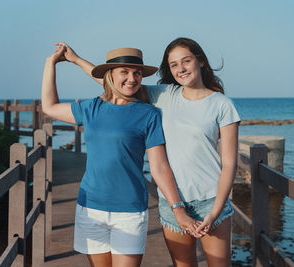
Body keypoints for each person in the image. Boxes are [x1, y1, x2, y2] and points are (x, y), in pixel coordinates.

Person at [59, 37, 240, 267]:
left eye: (186, 61)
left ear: (201, 61)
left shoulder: (223, 105)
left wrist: (214, 213)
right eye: (174, 64)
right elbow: (115, 82)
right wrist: (75, 60)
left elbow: (229, 164)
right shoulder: (163, 96)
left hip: (211, 201)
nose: (181, 68)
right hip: (172, 203)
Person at [41, 44, 201, 267]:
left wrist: (178, 208)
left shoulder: (149, 114)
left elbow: (159, 167)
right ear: (110, 75)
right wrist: (52, 63)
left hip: (129, 210)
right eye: (124, 72)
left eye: (137, 73)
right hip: (90, 208)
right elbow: (49, 107)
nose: (132, 78)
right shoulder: (91, 108)